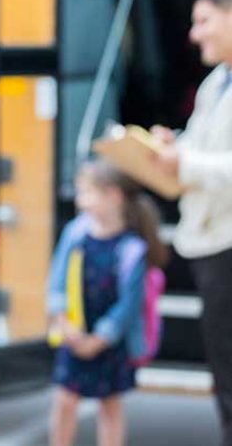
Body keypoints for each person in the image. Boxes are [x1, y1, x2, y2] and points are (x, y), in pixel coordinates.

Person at [152, 0, 232, 446]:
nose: (194, 34)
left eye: (204, 20)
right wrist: (172, 148)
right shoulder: (214, 83)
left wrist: (185, 160)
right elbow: (204, 149)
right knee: (223, 371)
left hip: (226, 244)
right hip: (211, 243)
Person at [47, 160, 168, 446]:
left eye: (88, 193)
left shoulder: (132, 249)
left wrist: (99, 339)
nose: (81, 201)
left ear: (113, 195)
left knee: (110, 405)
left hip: (109, 342)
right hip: (74, 334)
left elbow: (129, 305)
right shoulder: (75, 234)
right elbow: (57, 281)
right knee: (65, 400)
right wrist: (65, 324)